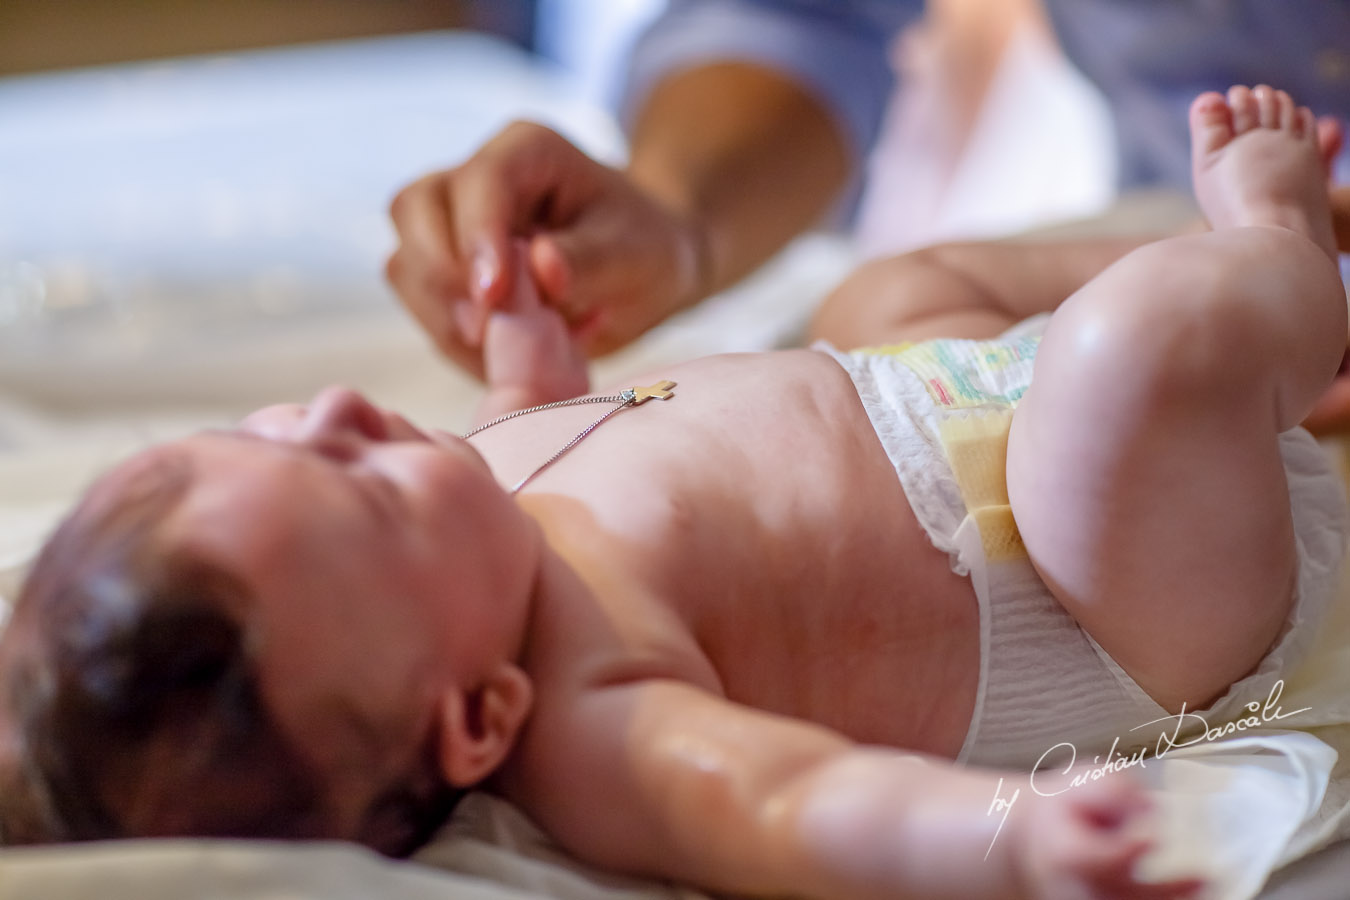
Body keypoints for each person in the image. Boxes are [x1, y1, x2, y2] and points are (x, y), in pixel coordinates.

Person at [1, 87, 1345, 900]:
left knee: (880, 293)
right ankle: (1279, 255)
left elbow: (538, 431)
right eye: (362, 490)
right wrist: (1011, 846)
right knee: (1131, 356)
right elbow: (784, 806)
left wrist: (531, 349)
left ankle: (1245, 338)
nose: (344, 413)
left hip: (960, 397)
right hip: (1111, 592)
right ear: (478, 720)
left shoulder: (483, 502)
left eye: (277, 432)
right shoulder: (595, 709)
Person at [385, 0, 1350, 409]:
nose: (333, 414)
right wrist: (674, 212)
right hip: (1209, 260)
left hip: (1214, 278)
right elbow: (801, 14)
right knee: (897, 306)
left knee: (896, 307)